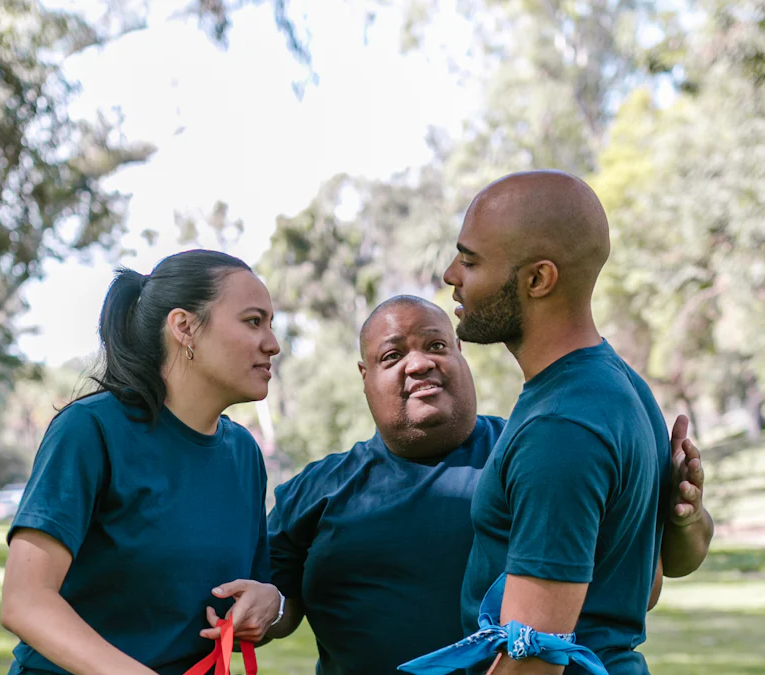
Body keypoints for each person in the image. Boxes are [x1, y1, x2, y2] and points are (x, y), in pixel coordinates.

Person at [258, 295, 710, 675]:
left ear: (459, 352)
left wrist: (682, 520)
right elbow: (276, 606)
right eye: (392, 355)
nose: (419, 363)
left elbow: (645, 587)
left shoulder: (541, 453)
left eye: (436, 345)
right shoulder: (314, 491)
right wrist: (268, 606)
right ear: (364, 375)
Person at [440, 170, 712, 675]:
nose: (451, 274)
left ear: (538, 279)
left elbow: (533, 661)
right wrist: (684, 519)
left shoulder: (561, 429)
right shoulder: (621, 388)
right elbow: (642, 589)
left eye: (470, 260)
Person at [0, 250, 284, 675]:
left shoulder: (244, 454)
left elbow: (257, 590)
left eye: (270, 324)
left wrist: (270, 603)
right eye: (252, 321)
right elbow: (26, 602)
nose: (273, 344)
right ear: (184, 328)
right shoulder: (89, 430)